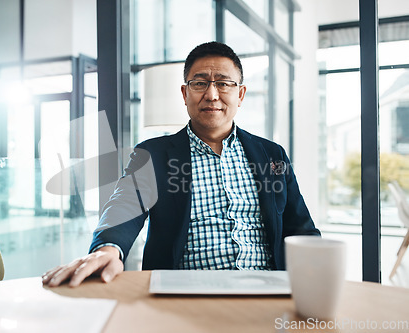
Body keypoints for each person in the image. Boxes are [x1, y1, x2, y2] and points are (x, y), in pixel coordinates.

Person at [42, 41, 320, 288]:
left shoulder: (272, 155)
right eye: (200, 83)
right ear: (185, 93)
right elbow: (124, 207)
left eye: (223, 83)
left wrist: (319, 273)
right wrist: (107, 249)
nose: (212, 95)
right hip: (183, 295)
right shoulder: (153, 154)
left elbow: (300, 228)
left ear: (241, 94)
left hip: (268, 291)